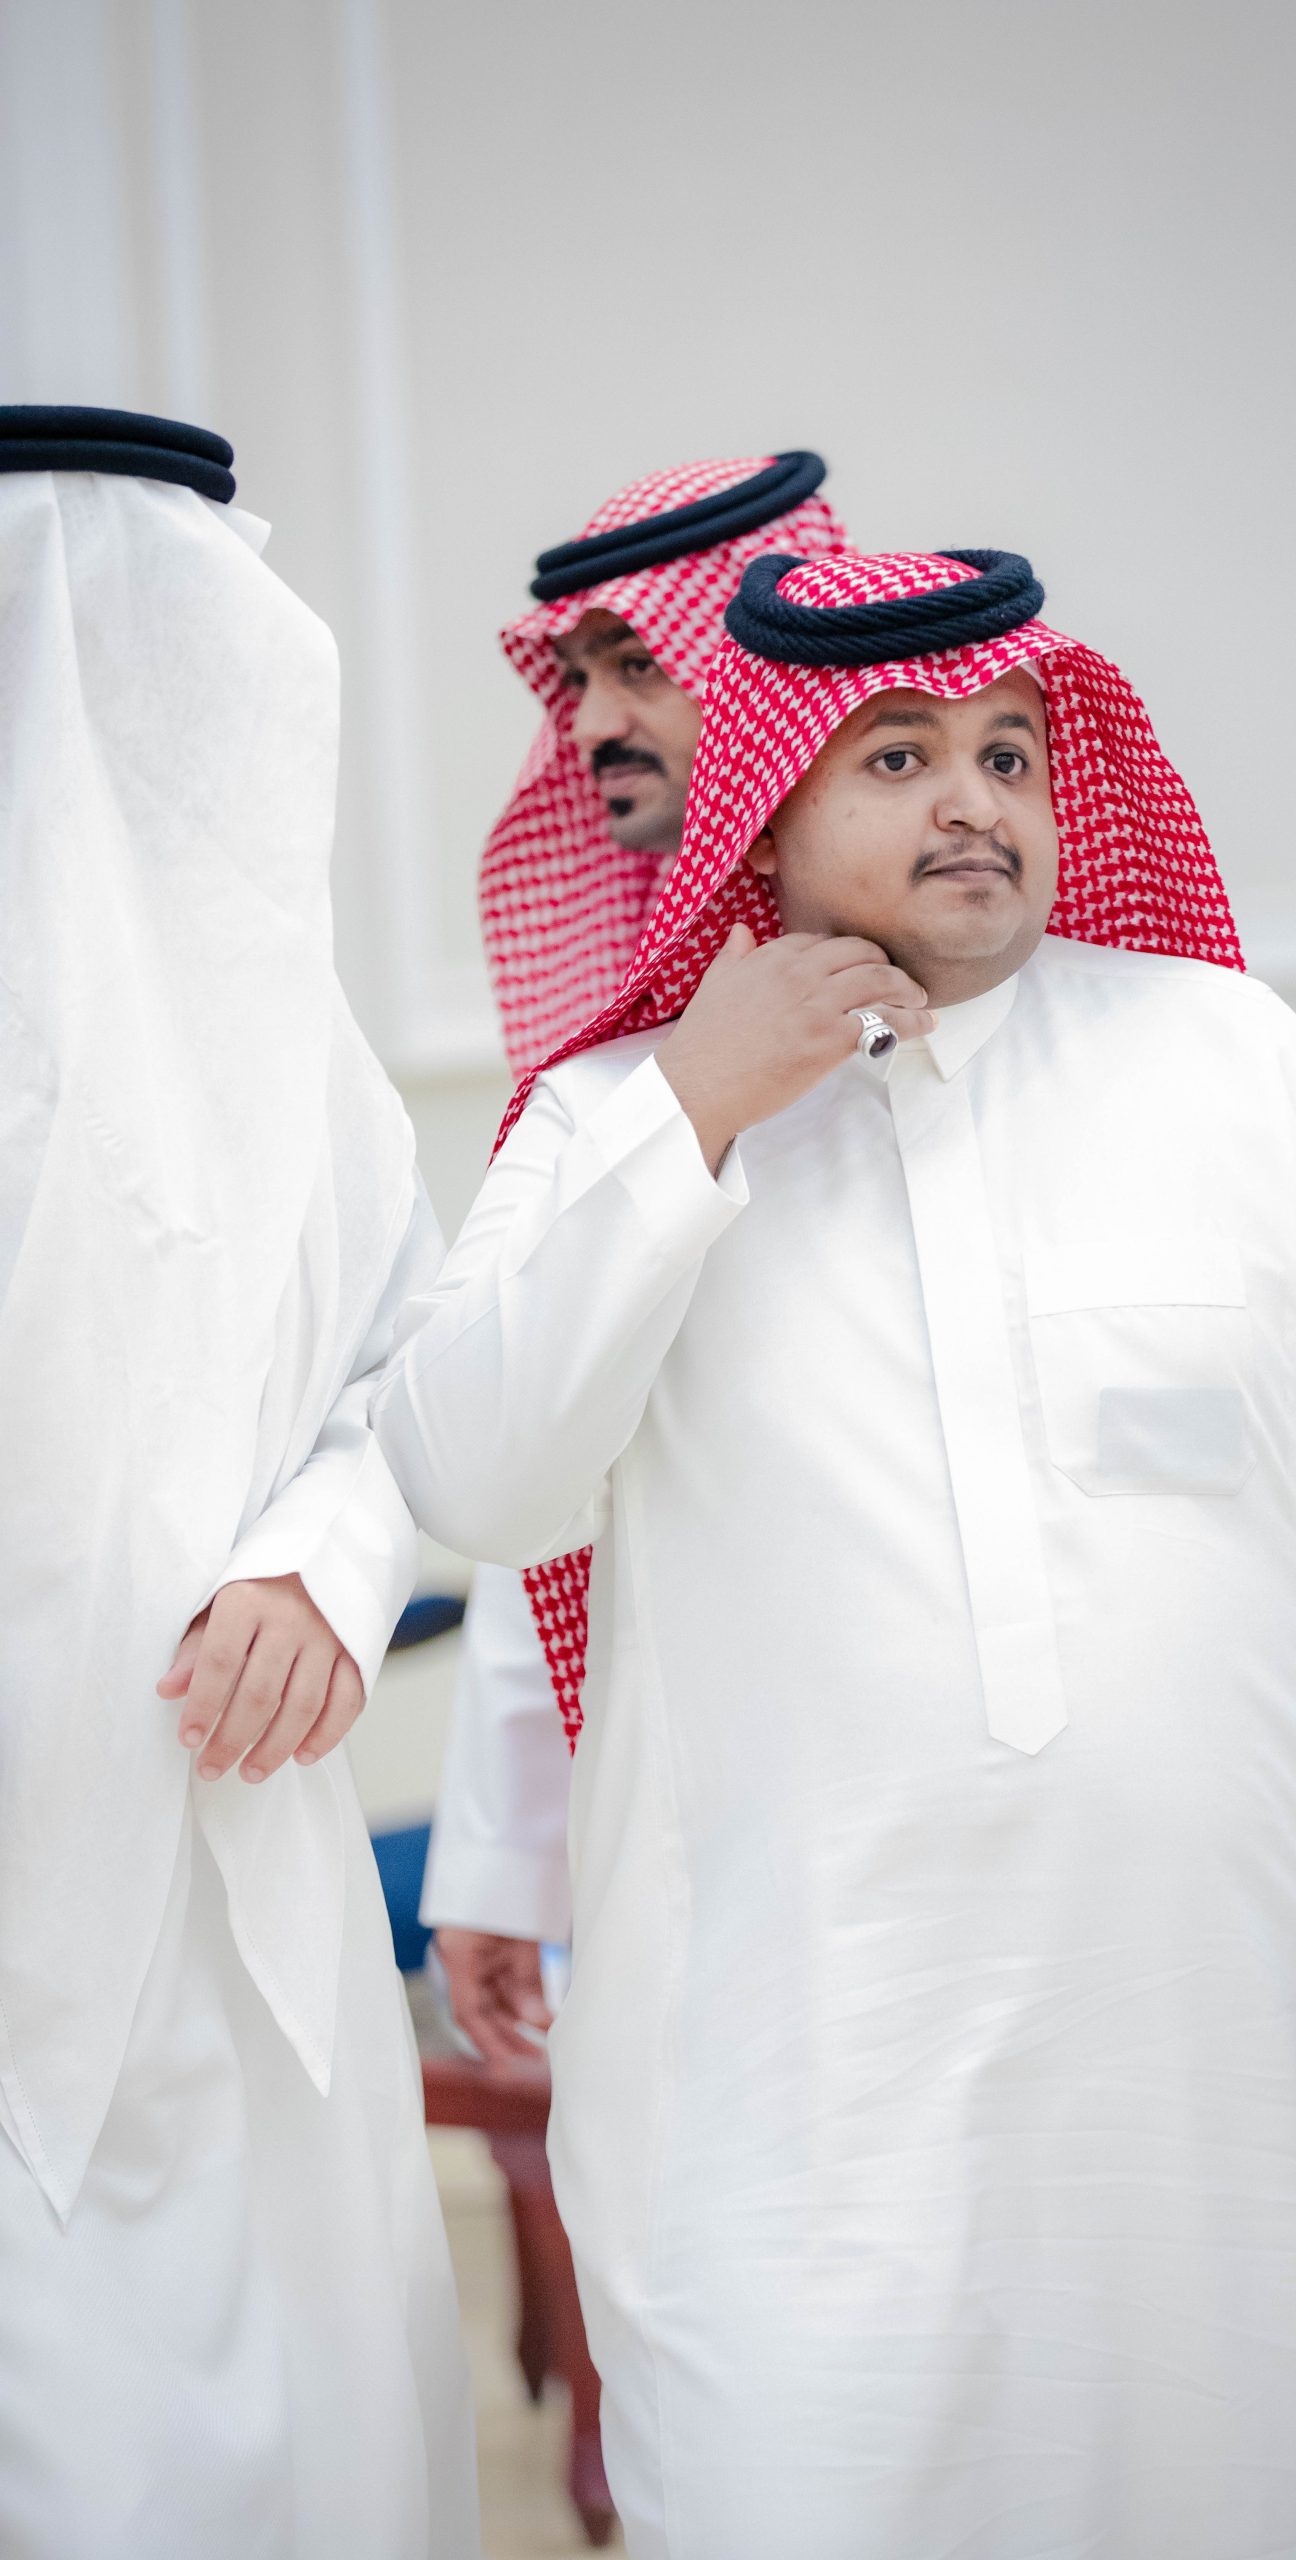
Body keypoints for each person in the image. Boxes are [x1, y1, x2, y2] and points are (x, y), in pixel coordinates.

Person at [376, 543, 1296, 2557]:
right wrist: (699, 1111)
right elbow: (476, 1478)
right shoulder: (610, 1115)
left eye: (1009, 754)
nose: (972, 801)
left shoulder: (1235, 1066)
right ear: (764, 807)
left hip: (1241, 2057)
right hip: (796, 2093)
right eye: (900, 757)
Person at [0, 406, 478, 2560]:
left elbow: (400, 1375)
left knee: (310, 2434)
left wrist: (318, 1566)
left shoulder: (301, 1057)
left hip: (240, 1875)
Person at [424, 452, 851, 2062]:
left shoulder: (961, 1002)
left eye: (636, 667)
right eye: (577, 677)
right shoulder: (605, 1073)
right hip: (690, 1830)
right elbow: (549, 1461)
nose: (590, 722)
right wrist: (505, 1851)